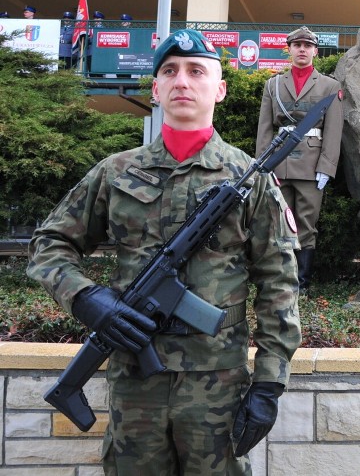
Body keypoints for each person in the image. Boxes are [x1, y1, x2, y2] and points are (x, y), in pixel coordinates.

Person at [27, 29, 301, 475]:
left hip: (217, 383)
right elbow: (49, 243)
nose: (182, 81)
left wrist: (270, 381)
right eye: (169, 72)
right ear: (155, 89)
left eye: (197, 71)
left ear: (220, 88)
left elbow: (279, 282)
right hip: (136, 380)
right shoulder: (115, 173)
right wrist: (86, 298)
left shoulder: (249, 180)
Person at [256, 26, 343, 296]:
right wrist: (263, 165)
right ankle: (280, 282)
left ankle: (301, 284)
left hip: (311, 164)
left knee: (306, 224)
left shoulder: (330, 85)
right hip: (279, 163)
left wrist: (326, 167)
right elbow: (265, 128)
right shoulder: (273, 84)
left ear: (315, 51)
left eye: (307, 45)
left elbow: (334, 129)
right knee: (277, 222)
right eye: (297, 45)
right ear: (289, 49)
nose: (302, 49)